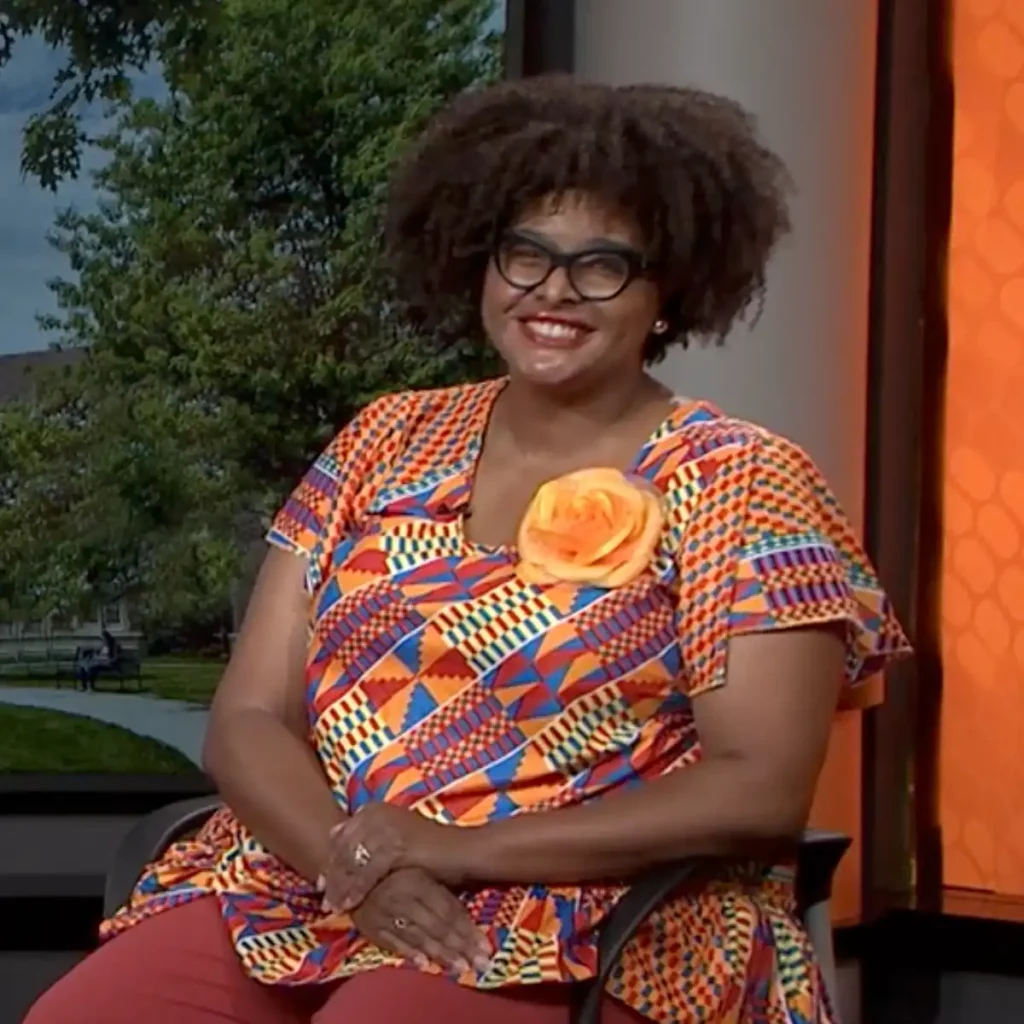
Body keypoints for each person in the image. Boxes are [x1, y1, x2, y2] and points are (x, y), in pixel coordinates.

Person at [26, 76, 911, 1024]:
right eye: (524, 255)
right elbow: (247, 715)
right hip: (321, 875)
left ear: (671, 292)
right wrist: (352, 860)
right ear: (479, 263)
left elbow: (758, 790)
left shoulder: (740, 477)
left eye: (603, 264)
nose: (553, 291)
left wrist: (450, 851)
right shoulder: (385, 439)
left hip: (596, 910)